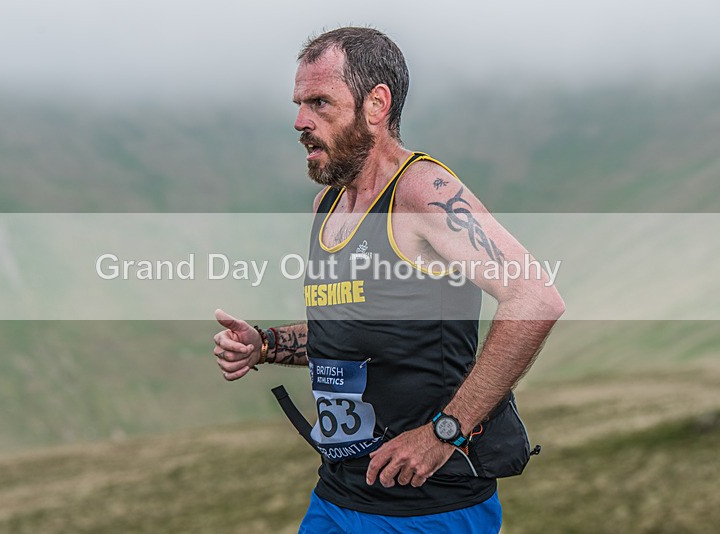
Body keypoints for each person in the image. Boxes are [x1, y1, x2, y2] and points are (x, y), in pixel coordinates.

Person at [212, 27, 565, 534]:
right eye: (299, 105)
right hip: (337, 495)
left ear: (376, 104)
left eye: (319, 103)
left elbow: (535, 298)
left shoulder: (422, 191)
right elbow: (353, 330)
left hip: (430, 508)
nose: (300, 121)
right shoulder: (327, 205)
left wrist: (445, 432)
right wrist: (264, 344)